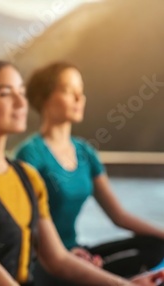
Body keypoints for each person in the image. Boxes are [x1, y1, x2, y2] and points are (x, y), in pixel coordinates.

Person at [0, 60, 164, 286]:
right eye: (6, 93)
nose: (20, 102)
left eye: (22, 93)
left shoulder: (27, 176)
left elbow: (58, 259)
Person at [15, 62, 164, 281]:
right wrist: (70, 257)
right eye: (68, 90)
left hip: (78, 251)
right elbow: (21, 226)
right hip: (44, 261)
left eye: (81, 91)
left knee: (156, 245)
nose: (79, 98)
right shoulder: (30, 154)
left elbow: (119, 215)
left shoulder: (85, 151)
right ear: (44, 98)